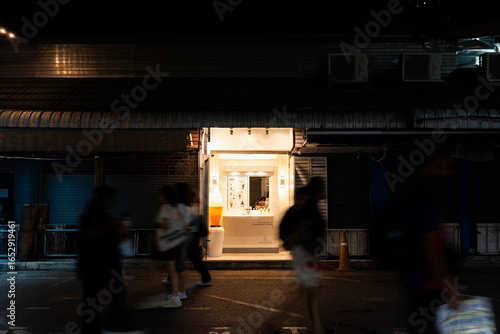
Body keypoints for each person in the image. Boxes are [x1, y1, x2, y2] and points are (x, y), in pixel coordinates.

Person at [393, 154, 463, 333]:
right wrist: (448, 285)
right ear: (427, 170)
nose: (447, 173)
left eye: (448, 168)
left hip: (419, 279)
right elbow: (432, 245)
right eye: (441, 168)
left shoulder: (427, 197)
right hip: (426, 283)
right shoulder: (427, 199)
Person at [261, 177, 329, 334]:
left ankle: (317, 328)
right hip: (304, 253)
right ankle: (275, 323)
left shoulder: (309, 204)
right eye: (323, 189)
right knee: (305, 289)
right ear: (318, 190)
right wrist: (297, 245)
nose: (324, 191)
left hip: (304, 252)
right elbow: (303, 227)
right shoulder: (310, 206)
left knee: (311, 289)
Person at [78, 185, 143, 334]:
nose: (113, 202)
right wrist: (111, 225)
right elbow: (89, 235)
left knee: (103, 296)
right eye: (111, 199)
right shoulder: (92, 213)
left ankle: (111, 325)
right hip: (96, 265)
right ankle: (108, 326)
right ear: (104, 199)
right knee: (95, 298)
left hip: (103, 264)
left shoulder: (100, 212)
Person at [138, 185, 186, 309]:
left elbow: (165, 225)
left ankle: (155, 295)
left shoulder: (165, 208)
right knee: (172, 269)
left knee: (150, 266)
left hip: (163, 243)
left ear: (164, 196)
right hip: (172, 243)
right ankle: (175, 297)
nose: (158, 197)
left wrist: (156, 225)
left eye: (160, 194)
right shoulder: (175, 208)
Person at [175, 182, 212, 286]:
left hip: (188, 235)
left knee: (188, 258)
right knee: (191, 258)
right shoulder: (189, 203)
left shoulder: (182, 205)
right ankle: (206, 277)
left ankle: (206, 277)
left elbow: (188, 222)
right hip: (192, 234)